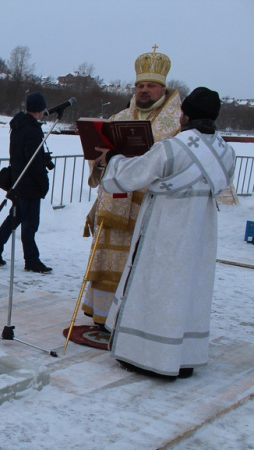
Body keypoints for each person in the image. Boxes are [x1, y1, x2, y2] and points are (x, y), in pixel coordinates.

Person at [95, 87, 235, 379]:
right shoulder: (226, 151)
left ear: (184, 114)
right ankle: (183, 358)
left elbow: (129, 176)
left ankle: (146, 356)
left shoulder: (174, 147)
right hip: (200, 236)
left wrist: (114, 159)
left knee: (156, 289)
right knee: (189, 292)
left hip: (165, 232)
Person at [81, 47, 182, 326]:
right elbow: (99, 160)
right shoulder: (119, 117)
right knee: (106, 261)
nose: (144, 90)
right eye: (140, 85)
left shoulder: (175, 124)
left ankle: (132, 320)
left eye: (150, 85)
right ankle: (102, 316)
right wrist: (99, 160)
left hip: (147, 207)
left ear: (163, 89)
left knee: (139, 265)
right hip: (114, 203)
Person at [0, 92, 52, 274]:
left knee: (15, 217)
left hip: (17, 179)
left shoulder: (18, 126)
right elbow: (33, 161)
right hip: (29, 183)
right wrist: (43, 183)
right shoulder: (32, 130)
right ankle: (31, 260)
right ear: (40, 109)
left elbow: (22, 154)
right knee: (30, 224)